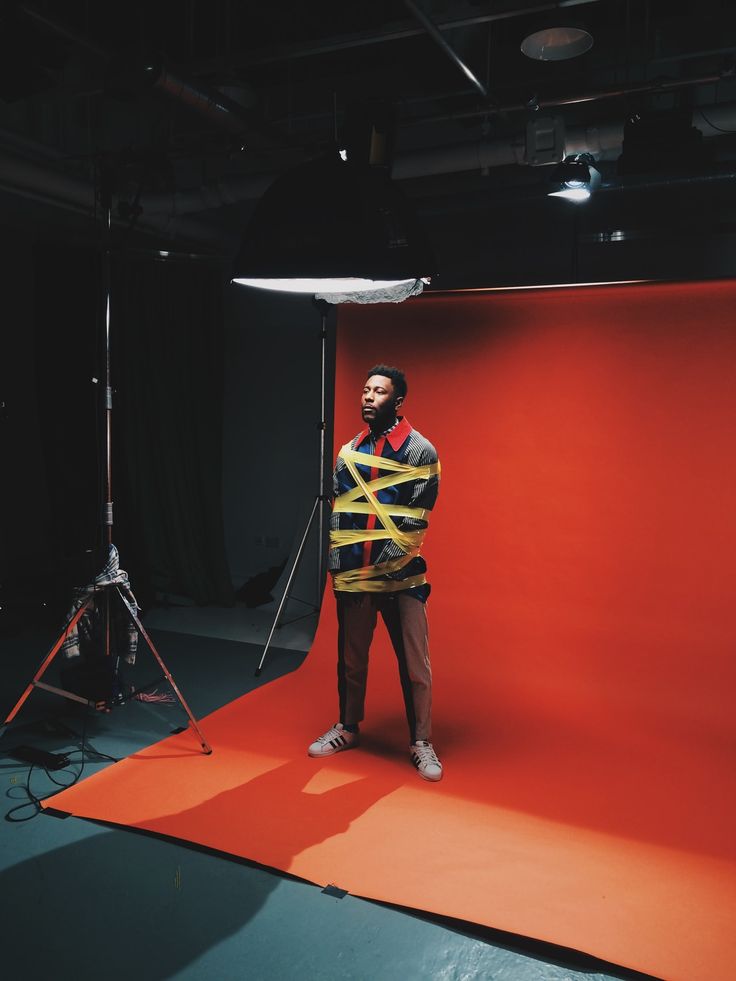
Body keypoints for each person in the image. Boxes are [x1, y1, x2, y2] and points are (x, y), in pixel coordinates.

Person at [307, 365, 443, 781]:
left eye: (379, 392)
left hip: (403, 579)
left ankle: (421, 741)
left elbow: (415, 523)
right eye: (365, 390)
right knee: (351, 659)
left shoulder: (422, 452)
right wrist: (341, 571)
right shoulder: (349, 452)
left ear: (397, 401)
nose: (368, 397)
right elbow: (339, 517)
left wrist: (379, 566)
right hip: (354, 577)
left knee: (415, 665)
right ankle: (348, 728)